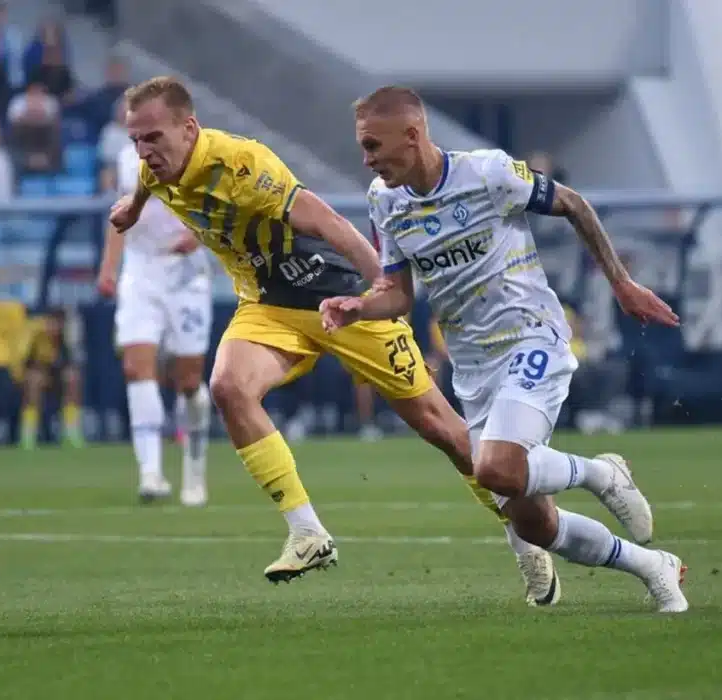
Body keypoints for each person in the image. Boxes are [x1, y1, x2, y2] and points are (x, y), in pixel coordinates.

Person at [320, 86, 687, 613]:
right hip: (474, 369)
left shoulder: (488, 173)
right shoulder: (385, 201)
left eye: (373, 145)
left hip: (531, 338)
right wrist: (359, 307)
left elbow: (573, 204)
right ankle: (653, 566)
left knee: (493, 468)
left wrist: (622, 283)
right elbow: (398, 294)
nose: (367, 160)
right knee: (535, 525)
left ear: (412, 134)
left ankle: (601, 474)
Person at [109, 76, 473, 584]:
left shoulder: (241, 165)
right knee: (228, 387)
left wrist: (384, 292)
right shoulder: (157, 167)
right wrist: (133, 207)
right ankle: (307, 533)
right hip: (268, 305)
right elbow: (149, 179)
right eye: (136, 140)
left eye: (153, 138)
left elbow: (329, 223)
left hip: (334, 295)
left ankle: (525, 530)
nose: (144, 152)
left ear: (189, 129)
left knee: (441, 429)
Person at [98, 138, 213, 507]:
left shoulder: (199, 152)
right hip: (141, 269)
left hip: (186, 275)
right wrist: (108, 269)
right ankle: (151, 473)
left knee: (189, 381)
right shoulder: (126, 159)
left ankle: (194, 466)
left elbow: (220, 208)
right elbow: (120, 215)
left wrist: (199, 234)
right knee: (136, 366)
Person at [16, 309, 85, 450]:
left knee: (73, 378)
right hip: (34, 373)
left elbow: (69, 362)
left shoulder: (66, 335)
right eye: (53, 324)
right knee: (34, 381)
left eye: (59, 324)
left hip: (55, 373)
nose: (55, 329)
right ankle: (28, 436)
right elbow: (22, 362)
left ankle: (71, 433)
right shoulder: (33, 332)